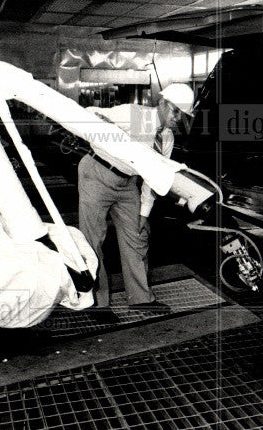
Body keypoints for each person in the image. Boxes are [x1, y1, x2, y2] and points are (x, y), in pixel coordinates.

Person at [77, 83, 195, 320]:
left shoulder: (167, 138)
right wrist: (102, 122)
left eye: (183, 116)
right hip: (97, 173)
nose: (177, 119)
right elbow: (87, 112)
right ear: (162, 104)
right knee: (93, 239)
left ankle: (141, 299)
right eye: (175, 112)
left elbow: (154, 176)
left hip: (128, 182)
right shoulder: (135, 115)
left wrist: (144, 213)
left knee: (138, 235)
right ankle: (97, 303)